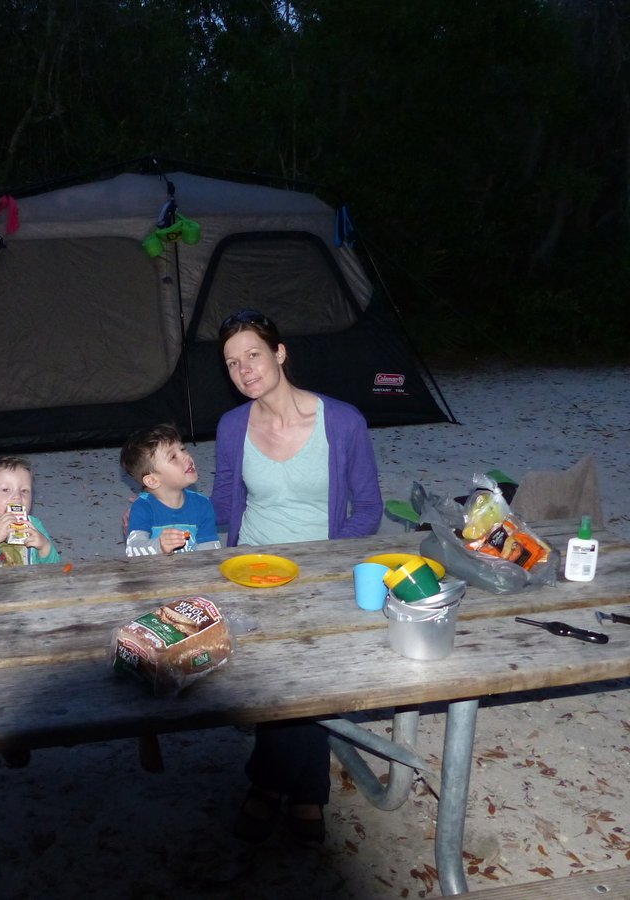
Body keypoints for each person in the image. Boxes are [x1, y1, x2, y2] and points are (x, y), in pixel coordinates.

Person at [212, 309, 382, 846]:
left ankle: (268, 787)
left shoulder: (343, 421)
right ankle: (307, 796)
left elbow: (368, 509)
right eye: (232, 363)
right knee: (280, 676)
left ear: (280, 353)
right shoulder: (232, 425)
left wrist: (325, 564)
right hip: (253, 569)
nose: (243, 370)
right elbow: (220, 506)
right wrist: (168, 514)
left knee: (298, 679)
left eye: (253, 355)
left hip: (321, 571)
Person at [120, 423, 221, 557]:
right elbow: (133, 550)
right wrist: (160, 546)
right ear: (152, 481)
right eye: (173, 457)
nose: (186, 457)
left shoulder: (202, 504)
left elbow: (211, 549)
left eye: (183, 449)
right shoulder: (143, 507)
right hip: (154, 574)